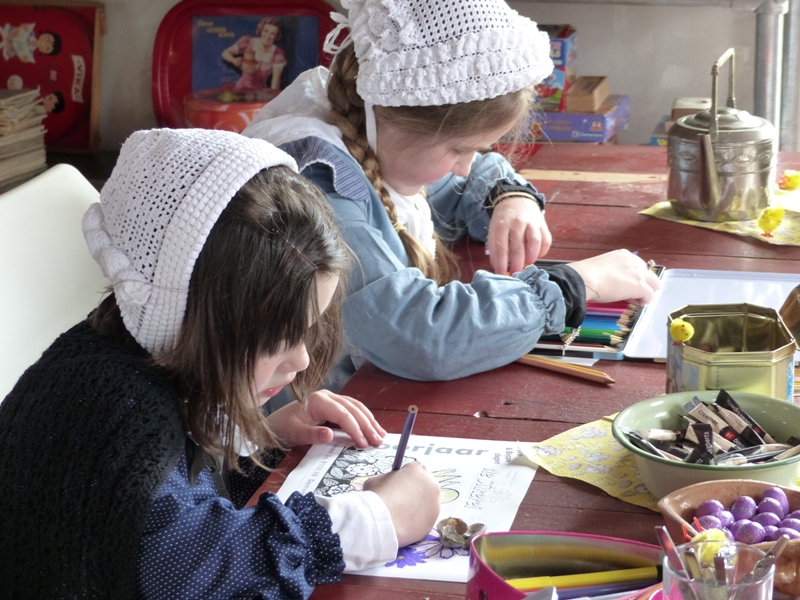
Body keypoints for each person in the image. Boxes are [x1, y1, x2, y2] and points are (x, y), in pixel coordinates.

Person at [0, 128, 440, 599]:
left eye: (307, 330)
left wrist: (259, 440)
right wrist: (371, 520)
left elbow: (183, 501)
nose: (301, 358)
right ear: (188, 309)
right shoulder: (118, 418)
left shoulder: (131, 348)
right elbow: (188, 570)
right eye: (276, 337)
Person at [242, 0, 661, 406]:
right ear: (392, 118)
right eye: (461, 149)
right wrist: (571, 286)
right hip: (290, 430)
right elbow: (421, 336)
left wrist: (509, 197)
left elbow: (461, 181)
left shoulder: (375, 135)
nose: (465, 166)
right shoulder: (318, 190)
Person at [221, 17, 287, 91]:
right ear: (261, 31)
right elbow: (225, 53)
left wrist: (273, 95)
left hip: (260, 91)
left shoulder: (278, 53)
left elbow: (276, 80)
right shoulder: (248, 42)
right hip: (241, 89)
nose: (268, 36)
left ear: (276, 37)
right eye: (266, 31)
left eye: (272, 34)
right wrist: (234, 60)